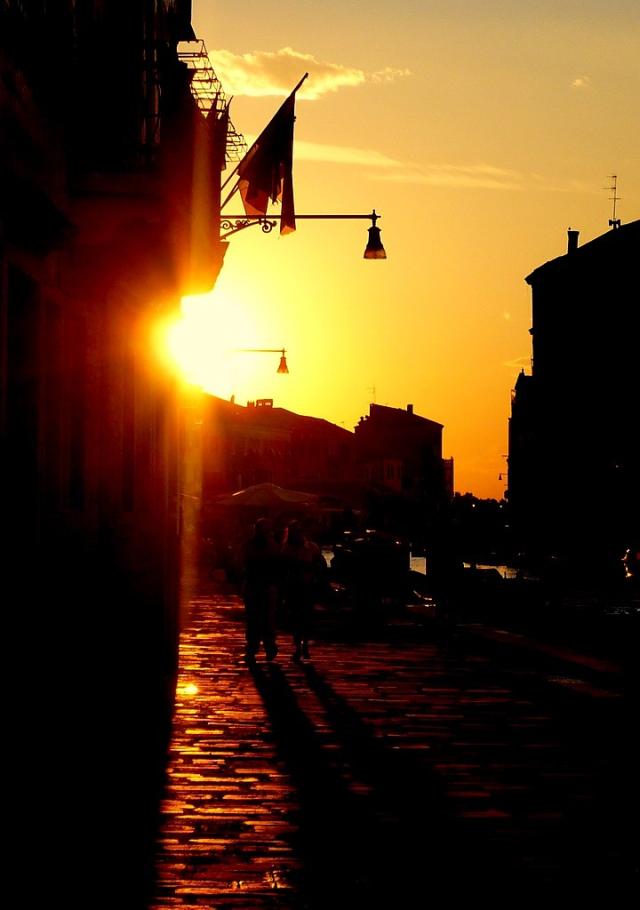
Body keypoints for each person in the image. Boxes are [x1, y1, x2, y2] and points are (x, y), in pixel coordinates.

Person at [281, 521, 326, 661]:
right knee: (295, 617)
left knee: (306, 617)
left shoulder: (312, 547)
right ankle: (298, 646)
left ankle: (304, 644)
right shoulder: (286, 548)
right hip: (293, 586)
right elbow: (283, 568)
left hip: (308, 585)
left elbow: (321, 565)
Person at [240, 517, 282, 663]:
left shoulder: (269, 545)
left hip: (264, 586)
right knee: (257, 619)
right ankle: (257, 648)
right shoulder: (266, 545)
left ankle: (265, 648)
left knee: (264, 619)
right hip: (257, 585)